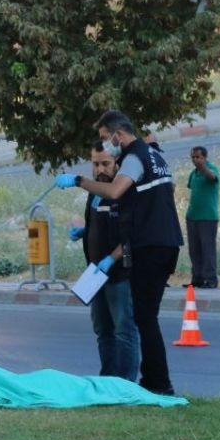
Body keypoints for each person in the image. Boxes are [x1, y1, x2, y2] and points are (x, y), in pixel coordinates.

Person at [55, 110, 183, 396]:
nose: (105, 144)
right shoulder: (153, 156)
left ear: (116, 134)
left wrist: (77, 180)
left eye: (105, 139)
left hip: (150, 245)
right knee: (143, 318)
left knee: (141, 320)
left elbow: (115, 191)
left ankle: (156, 383)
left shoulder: (135, 157)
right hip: (162, 242)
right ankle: (151, 380)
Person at [69, 142, 139, 381]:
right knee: (102, 330)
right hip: (95, 273)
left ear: (117, 163)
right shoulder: (95, 191)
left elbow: (134, 235)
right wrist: (85, 232)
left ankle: (126, 382)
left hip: (120, 273)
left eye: (106, 164)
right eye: (96, 164)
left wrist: (112, 258)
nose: (100, 169)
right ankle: (107, 378)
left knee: (124, 330)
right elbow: (101, 223)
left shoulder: (125, 192)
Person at [185, 146, 220, 289]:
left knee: (208, 250)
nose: (195, 160)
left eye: (198, 157)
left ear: (205, 158)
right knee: (194, 250)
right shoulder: (193, 173)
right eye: (193, 157)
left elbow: (212, 177)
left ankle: (211, 279)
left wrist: (203, 168)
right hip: (192, 216)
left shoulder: (211, 169)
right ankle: (197, 278)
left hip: (208, 217)